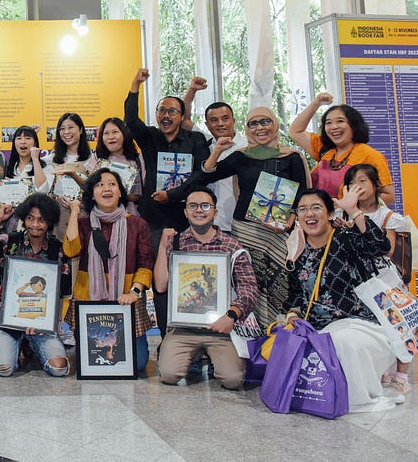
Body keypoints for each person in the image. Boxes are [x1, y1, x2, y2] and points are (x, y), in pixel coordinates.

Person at [284, 187, 403, 412]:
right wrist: (292, 314)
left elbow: (380, 246)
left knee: (340, 341)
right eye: (303, 209)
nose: (309, 213)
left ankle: (355, 399)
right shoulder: (296, 250)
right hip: (317, 327)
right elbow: (296, 293)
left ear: (330, 214)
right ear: (297, 217)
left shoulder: (345, 239)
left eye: (316, 207)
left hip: (360, 323)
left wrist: (354, 211)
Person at [195, 106, 311, 327]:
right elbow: (207, 173)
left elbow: (302, 195)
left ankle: (280, 335)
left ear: (275, 124)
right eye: (253, 123)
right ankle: (253, 340)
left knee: (282, 282)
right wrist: (217, 151)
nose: (260, 128)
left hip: (280, 233)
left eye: (265, 122)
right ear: (247, 127)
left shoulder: (292, 157)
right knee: (250, 283)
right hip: (246, 231)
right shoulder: (241, 156)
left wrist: (292, 218)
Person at [124, 68, 210, 336]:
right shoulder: (150, 137)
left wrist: (172, 195)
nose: (166, 115)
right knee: (160, 281)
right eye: (162, 110)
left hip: (189, 220)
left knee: (191, 278)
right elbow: (130, 119)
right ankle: (166, 337)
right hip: (155, 220)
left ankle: (194, 335)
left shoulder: (196, 140)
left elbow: (201, 175)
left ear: (183, 116)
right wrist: (135, 84)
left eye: (173, 111)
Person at [154, 187, 260, 390]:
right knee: (168, 374)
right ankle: (195, 355)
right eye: (193, 206)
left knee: (232, 380)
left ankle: (211, 356)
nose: (199, 210)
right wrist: (162, 246)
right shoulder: (176, 242)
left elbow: (249, 288)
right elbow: (160, 285)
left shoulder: (232, 246)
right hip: (184, 326)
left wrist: (231, 315)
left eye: (205, 206)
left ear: (215, 211)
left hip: (221, 328)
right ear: (185, 212)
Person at [63, 169, 154, 374]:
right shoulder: (84, 223)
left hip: (127, 297)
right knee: (90, 360)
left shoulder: (137, 224)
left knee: (138, 364)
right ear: (92, 194)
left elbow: (146, 262)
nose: (106, 189)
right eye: (99, 185)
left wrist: (135, 292)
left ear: (120, 192)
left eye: (112, 184)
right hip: (89, 298)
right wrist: (75, 212)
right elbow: (71, 250)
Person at [0, 193, 69, 378]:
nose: (35, 224)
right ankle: (18, 345)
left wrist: (39, 321)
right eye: (30, 218)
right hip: (8, 321)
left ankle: (32, 343)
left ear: (49, 222)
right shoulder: (10, 241)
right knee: (4, 369)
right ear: (24, 218)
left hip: (41, 322)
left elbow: (60, 294)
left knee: (60, 368)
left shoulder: (57, 249)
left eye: (41, 220)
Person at [337, 164, 411, 394]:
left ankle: (402, 374)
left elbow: (386, 250)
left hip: (387, 280)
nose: (356, 187)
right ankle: (380, 366)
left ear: (375, 185)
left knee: (398, 325)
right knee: (373, 325)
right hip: (359, 282)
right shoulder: (340, 215)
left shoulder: (390, 216)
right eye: (351, 183)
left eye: (362, 181)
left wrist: (359, 224)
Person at [289, 92, 393, 204]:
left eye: (340, 121)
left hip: (350, 219)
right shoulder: (324, 149)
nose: (334, 127)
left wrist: (349, 205)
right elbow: (295, 131)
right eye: (328, 123)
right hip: (318, 217)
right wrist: (316, 103)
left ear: (353, 125)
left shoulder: (370, 155)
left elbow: (389, 196)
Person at [181, 78, 248, 233]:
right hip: (209, 224)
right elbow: (183, 120)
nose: (220, 124)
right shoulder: (203, 143)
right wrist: (192, 91)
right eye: (214, 120)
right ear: (207, 125)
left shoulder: (247, 147)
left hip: (241, 223)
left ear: (234, 121)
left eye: (225, 119)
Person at [84, 117, 145, 215]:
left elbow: (147, 190)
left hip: (132, 216)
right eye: (106, 133)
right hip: (102, 217)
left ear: (125, 134)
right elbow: (89, 189)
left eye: (115, 132)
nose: (111, 137)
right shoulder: (96, 159)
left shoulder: (138, 159)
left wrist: (132, 197)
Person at [4, 125, 51, 191]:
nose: (23, 142)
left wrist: (35, 159)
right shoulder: (9, 169)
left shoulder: (45, 166)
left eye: (28, 138)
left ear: (35, 143)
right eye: (19, 138)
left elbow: (43, 190)